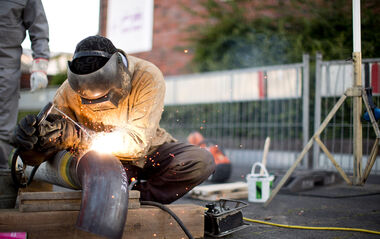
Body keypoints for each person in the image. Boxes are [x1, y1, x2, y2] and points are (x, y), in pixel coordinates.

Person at [11, 35, 215, 204]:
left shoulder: (146, 76)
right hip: (103, 161)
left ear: (120, 68)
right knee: (99, 169)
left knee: (200, 161)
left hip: (150, 149)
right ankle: (116, 191)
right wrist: (32, 142)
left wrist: (83, 138)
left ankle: (137, 198)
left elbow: (138, 144)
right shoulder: (68, 90)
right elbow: (44, 152)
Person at [0, 0, 50, 168]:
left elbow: (39, 27)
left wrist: (40, 67)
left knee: (3, 129)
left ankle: (2, 180)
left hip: (5, 66)